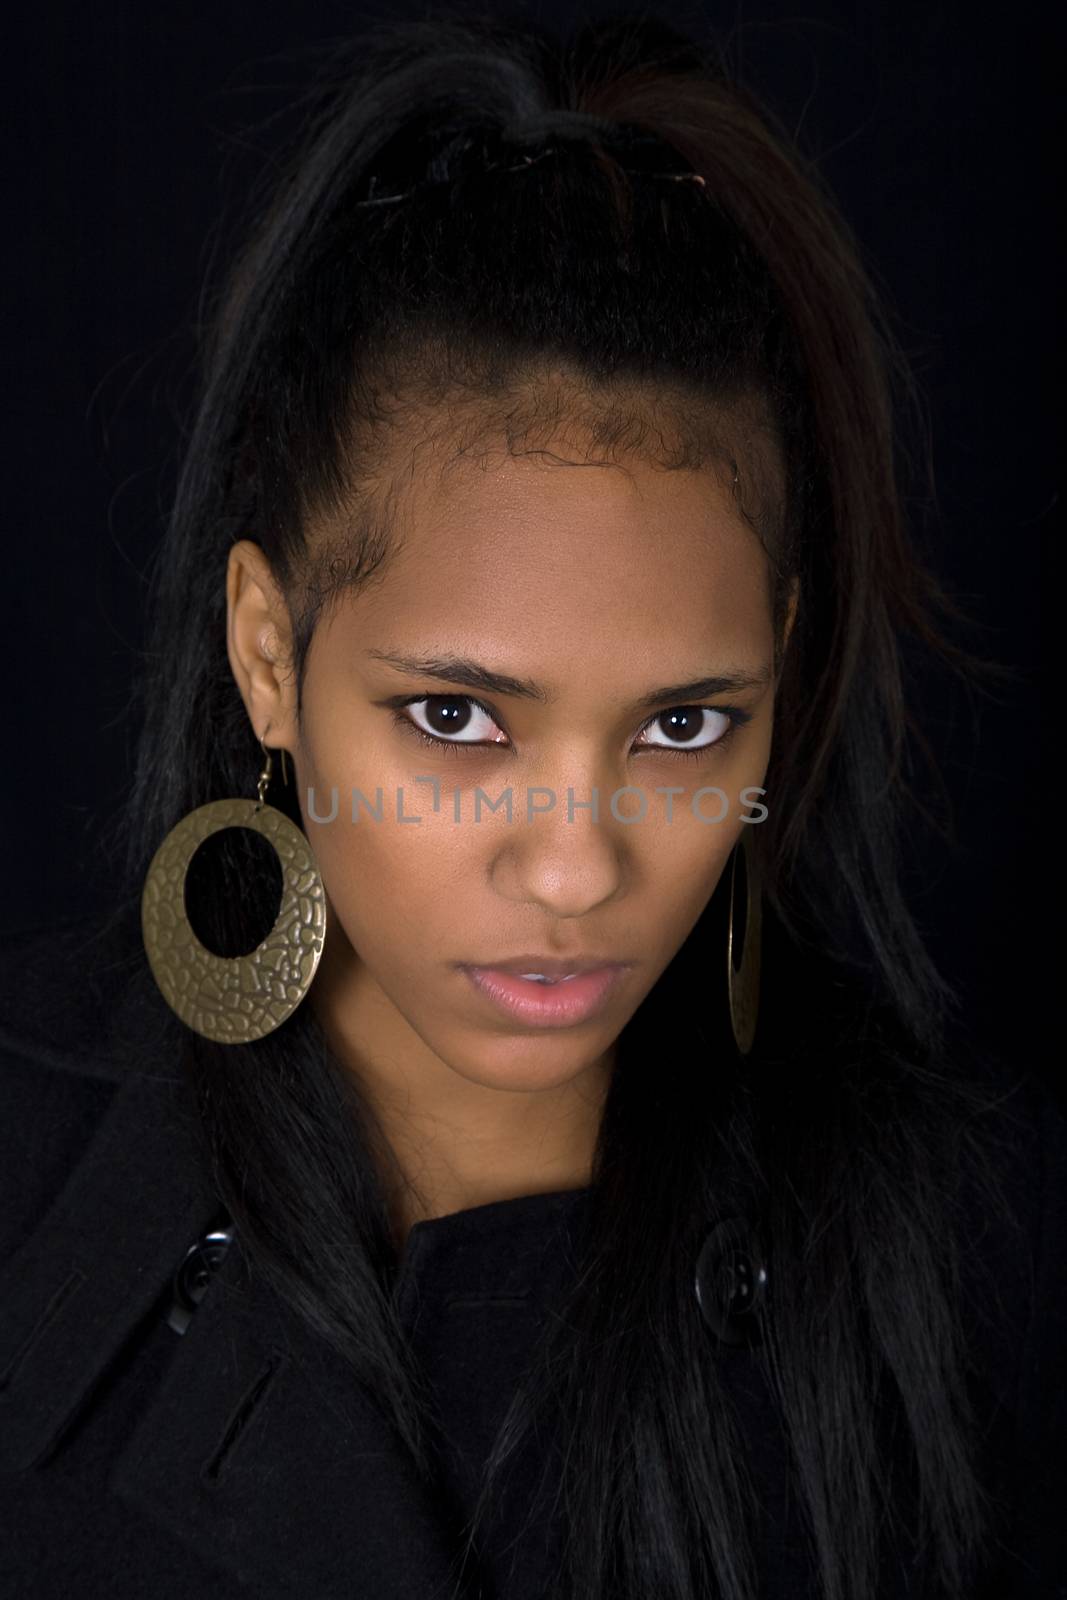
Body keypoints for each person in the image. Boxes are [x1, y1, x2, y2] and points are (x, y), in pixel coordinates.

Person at [0, 10, 1062, 1600]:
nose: (576, 866)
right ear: (268, 657)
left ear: (778, 666)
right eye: (457, 719)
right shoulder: (21, 1172)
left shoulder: (986, 1256)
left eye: (686, 724)